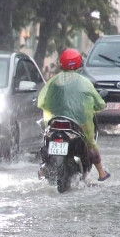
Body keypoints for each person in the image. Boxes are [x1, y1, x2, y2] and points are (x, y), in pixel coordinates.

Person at [36, 48, 111, 182]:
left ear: (61, 64)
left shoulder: (53, 81)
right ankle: (101, 173)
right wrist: (99, 106)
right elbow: (99, 103)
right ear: (79, 64)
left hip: (54, 123)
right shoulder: (85, 82)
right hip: (79, 124)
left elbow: (42, 101)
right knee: (91, 144)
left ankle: (44, 168)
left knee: (46, 138)